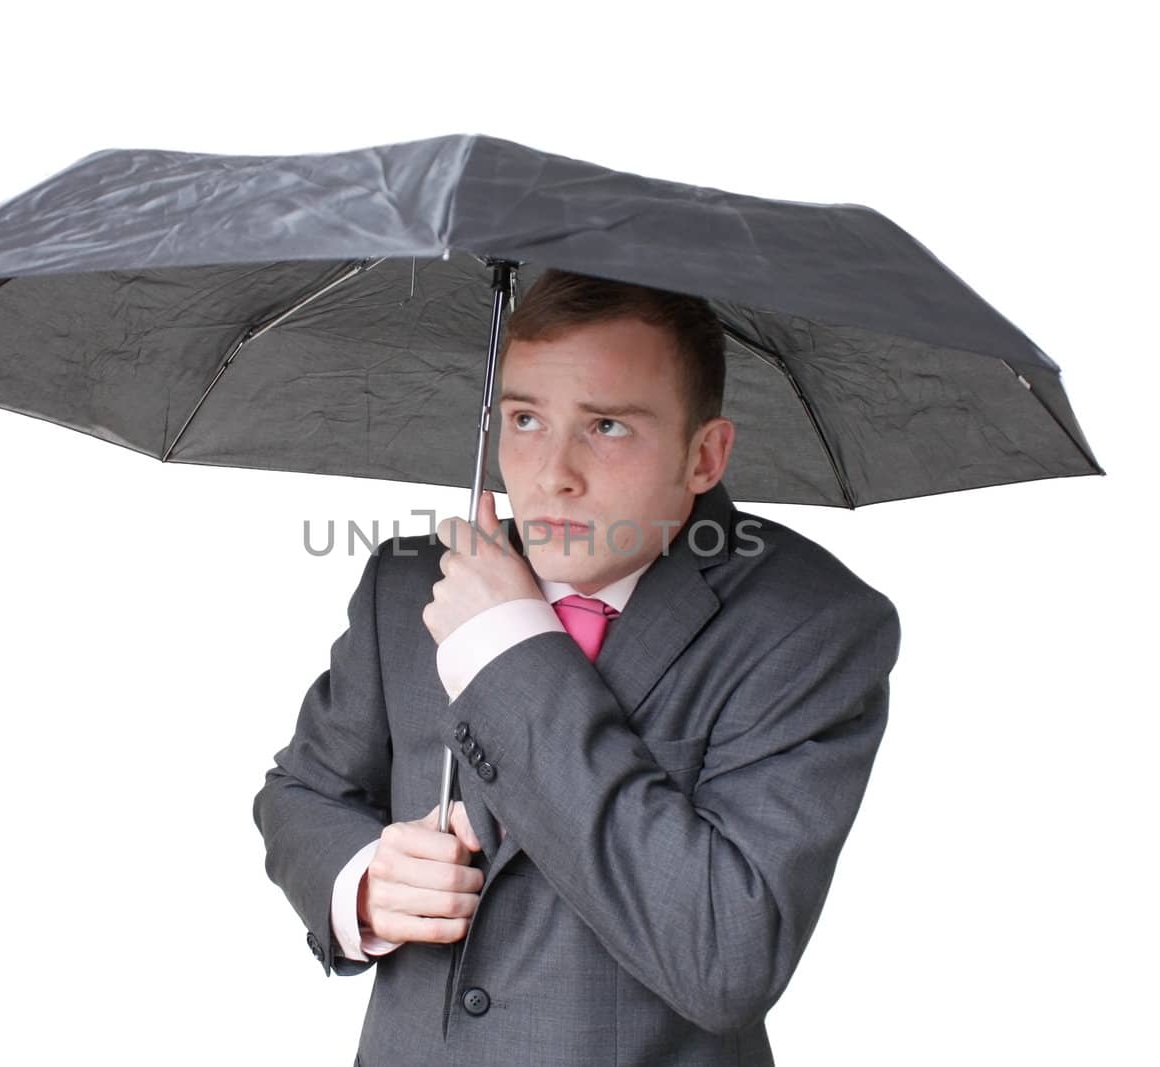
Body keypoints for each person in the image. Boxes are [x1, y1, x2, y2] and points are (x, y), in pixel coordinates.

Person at [254, 268, 901, 1066]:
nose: (553, 470)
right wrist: (362, 881)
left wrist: (509, 653)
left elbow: (727, 955)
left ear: (705, 454)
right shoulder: (408, 584)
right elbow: (302, 792)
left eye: (607, 427)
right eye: (525, 418)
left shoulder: (810, 627)